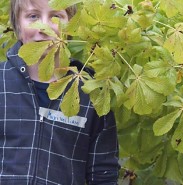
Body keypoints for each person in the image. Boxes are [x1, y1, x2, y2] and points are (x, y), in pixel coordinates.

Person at [0, 0, 120, 184]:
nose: (44, 26)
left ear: (71, 24)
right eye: (33, 16)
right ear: (17, 24)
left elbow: (103, 173)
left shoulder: (92, 93)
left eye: (56, 16)